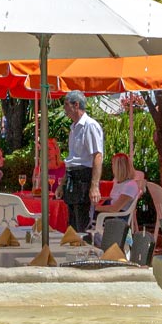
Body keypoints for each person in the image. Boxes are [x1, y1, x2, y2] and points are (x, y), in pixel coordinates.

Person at [61, 91, 103, 232]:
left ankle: (85, 252)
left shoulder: (90, 126)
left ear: (76, 105)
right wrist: (62, 183)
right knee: (72, 225)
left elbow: (97, 155)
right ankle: (74, 252)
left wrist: (94, 186)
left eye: (66, 105)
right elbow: (72, 159)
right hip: (73, 177)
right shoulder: (74, 128)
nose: (64, 109)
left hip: (84, 177)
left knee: (83, 224)